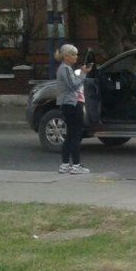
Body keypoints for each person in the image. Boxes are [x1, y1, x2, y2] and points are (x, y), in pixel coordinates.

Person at [55, 44, 92, 174]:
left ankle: (65, 164)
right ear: (66, 56)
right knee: (76, 134)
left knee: (70, 134)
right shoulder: (65, 69)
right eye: (74, 54)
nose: (76, 57)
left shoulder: (65, 69)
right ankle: (76, 165)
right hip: (71, 103)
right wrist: (83, 74)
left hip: (67, 104)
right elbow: (73, 85)